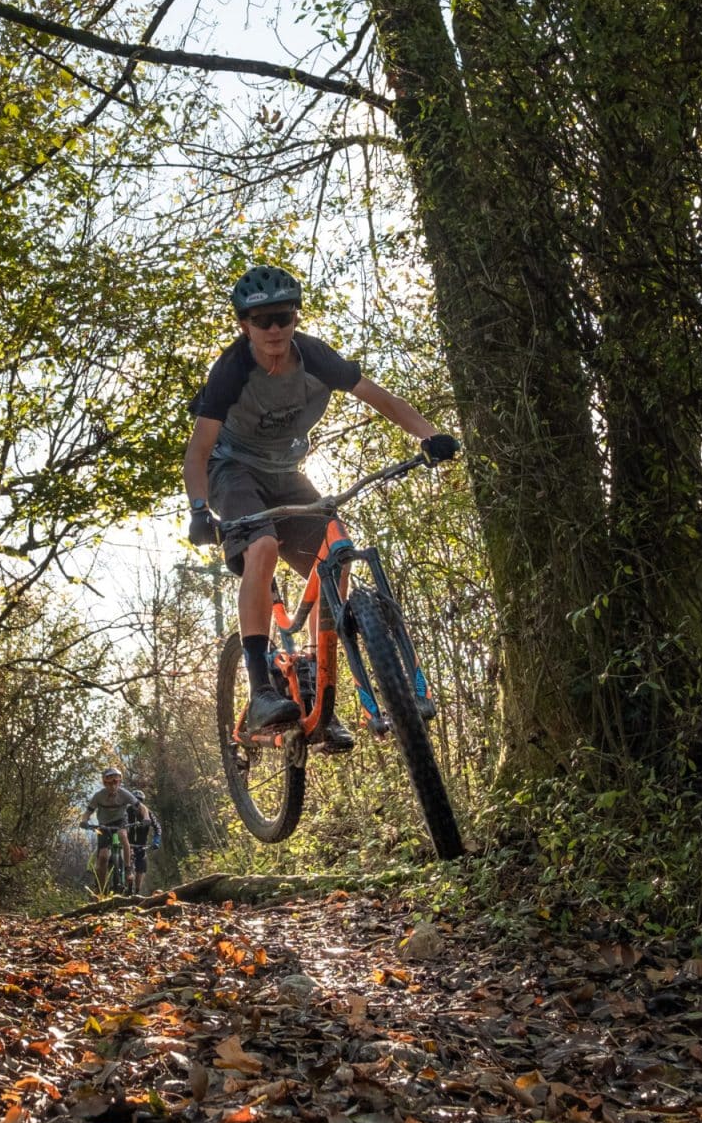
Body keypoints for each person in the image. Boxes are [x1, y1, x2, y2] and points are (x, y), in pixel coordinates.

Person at [183, 264, 458, 747]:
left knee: (334, 555)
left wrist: (429, 435)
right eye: (262, 320)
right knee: (263, 546)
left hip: (287, 474)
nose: (274, 330)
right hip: (233, 471)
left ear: (294, 319)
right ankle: (262, 687)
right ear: (243, 324)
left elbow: (379, 397)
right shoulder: (232, 370)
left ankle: (314, 681)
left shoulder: (313, 356)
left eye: (283, 318)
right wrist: (200, 509)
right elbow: (199, 449)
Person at [79, 767, 145, 894]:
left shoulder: (124, 793)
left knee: (122, 835)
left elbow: (141, 807)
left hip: (120, 821)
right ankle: (101, 889)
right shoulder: (98, 796)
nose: (113, 785)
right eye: (110, 783)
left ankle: (128, 869)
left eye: (116, 782)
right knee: (103, 857)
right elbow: (88, 812)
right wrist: (84, 821)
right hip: (104, 825)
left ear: (119, 782)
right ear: (105, 783)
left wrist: (146, 817)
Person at [125, 790, 162, 895]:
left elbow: (157, 827)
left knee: (140, 868)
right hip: (128, 843)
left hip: (142, 844)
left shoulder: (148, 813)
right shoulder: (126, 811)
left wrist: (156, 841)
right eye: (135, 800)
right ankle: (128, 887)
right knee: (128, 864)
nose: (137, 803)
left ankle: (136, 891)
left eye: (140, 800)